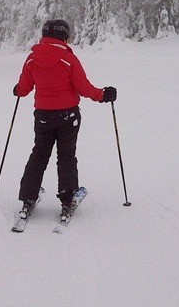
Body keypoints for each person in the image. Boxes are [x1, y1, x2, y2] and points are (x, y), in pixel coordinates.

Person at [13, 19, 117, 218]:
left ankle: (28, 197)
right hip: (68, 116)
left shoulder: (32, 59)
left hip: (43, 116)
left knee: (39, 154)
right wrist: (103, 95)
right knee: (66, 155)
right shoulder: (68, 59)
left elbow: (24, 89)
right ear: (64, 36)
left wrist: (17, 90)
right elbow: (84, 88)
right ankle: (67, 198)